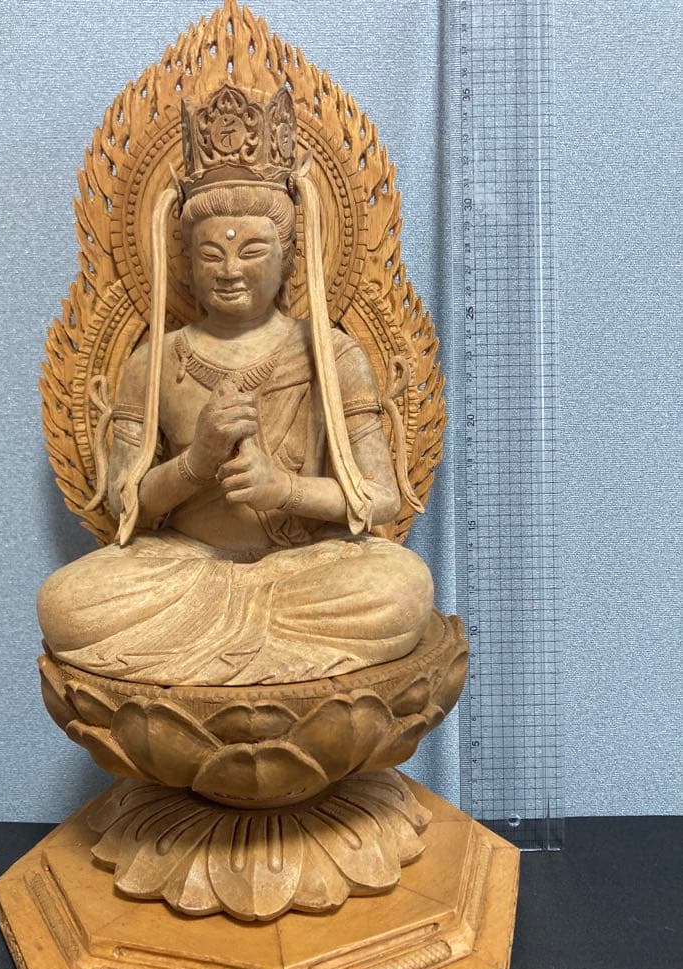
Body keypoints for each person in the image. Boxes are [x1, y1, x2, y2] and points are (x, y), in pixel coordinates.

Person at [37, 84, 433, 686]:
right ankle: (271, 658)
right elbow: (124, 504)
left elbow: (380, 498)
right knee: (66, 603)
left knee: (401, 586)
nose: (228, 270)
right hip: (185, 567)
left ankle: (215, 653)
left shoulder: (332, 353)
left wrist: (285, 490)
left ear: (289, 255)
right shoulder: (154, 361)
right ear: (186, 262)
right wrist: (195, 462)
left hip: (302, 569)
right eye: (209, 254)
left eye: (252, 250)